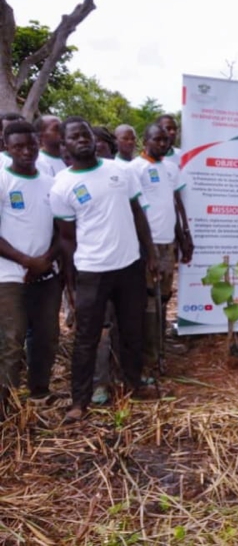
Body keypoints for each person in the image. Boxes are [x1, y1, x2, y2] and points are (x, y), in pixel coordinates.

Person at [50, 117, 160, 422]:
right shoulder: (62, 186)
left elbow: (138, 214)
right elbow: (66, 238)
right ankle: (79, 401)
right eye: (74, 136)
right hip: (92, 271)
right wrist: (71, 280)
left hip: (129, 266)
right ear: (65, 145)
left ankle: (133, 384)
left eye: (85, 134)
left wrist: (150, 253)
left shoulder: (120, 171)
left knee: (132, 331)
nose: (82, 140)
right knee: (87, 338)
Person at [0, 122, 60, 415]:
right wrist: (27, 261)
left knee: (47, 336)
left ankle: (40, 391)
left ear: (39, 143)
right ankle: (7, 405)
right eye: (18, 146)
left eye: (31, 145)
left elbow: (63, 230)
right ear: (6, 147)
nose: (26, 151)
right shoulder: (2, 179)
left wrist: (45, 260)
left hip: (47, 273)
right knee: (12, 340)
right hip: (9, 275)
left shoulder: (50, 183)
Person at [128, 123, 189, 376]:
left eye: (166, 140)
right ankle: (148, 360)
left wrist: (184, 236)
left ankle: (160, 351)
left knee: (163, 299)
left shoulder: (171, 168)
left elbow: (175, 204)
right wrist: (147, 249)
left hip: (168, 243)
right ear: (145, 141)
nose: (163, 144)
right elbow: (134, 209)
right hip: (147, 245)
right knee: (149, 301)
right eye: (157, 140)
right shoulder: (135, 169)